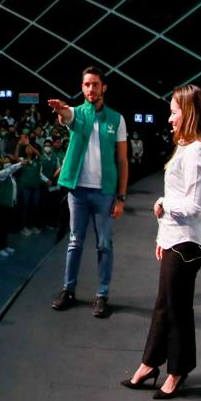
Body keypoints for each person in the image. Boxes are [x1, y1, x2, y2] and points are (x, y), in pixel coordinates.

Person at [124, 85, 201, 399]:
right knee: (165, 306)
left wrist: (163, 204)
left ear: (188, 112)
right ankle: (150, 364)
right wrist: (163, 236)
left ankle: (176, 371)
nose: (169, 117)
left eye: (174, 111)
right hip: (177, 239)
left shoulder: (197, 152)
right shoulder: (186, 147)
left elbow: (192, 206)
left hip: (187, 244)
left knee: (176, 309)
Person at [48, 66, 129, 317]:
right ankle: (68, 290)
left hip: (104, 193)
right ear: (82, 88)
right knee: (74, 242)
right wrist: (61, 111)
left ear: (103, 87)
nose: (90, 89)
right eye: (86, 85)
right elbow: (66, 117)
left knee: (104, 244)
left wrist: (121, 197)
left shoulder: (117, 119)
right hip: (78, 192)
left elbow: (123, 160)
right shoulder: (77, 113)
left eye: (95, 84)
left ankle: (102, 294)